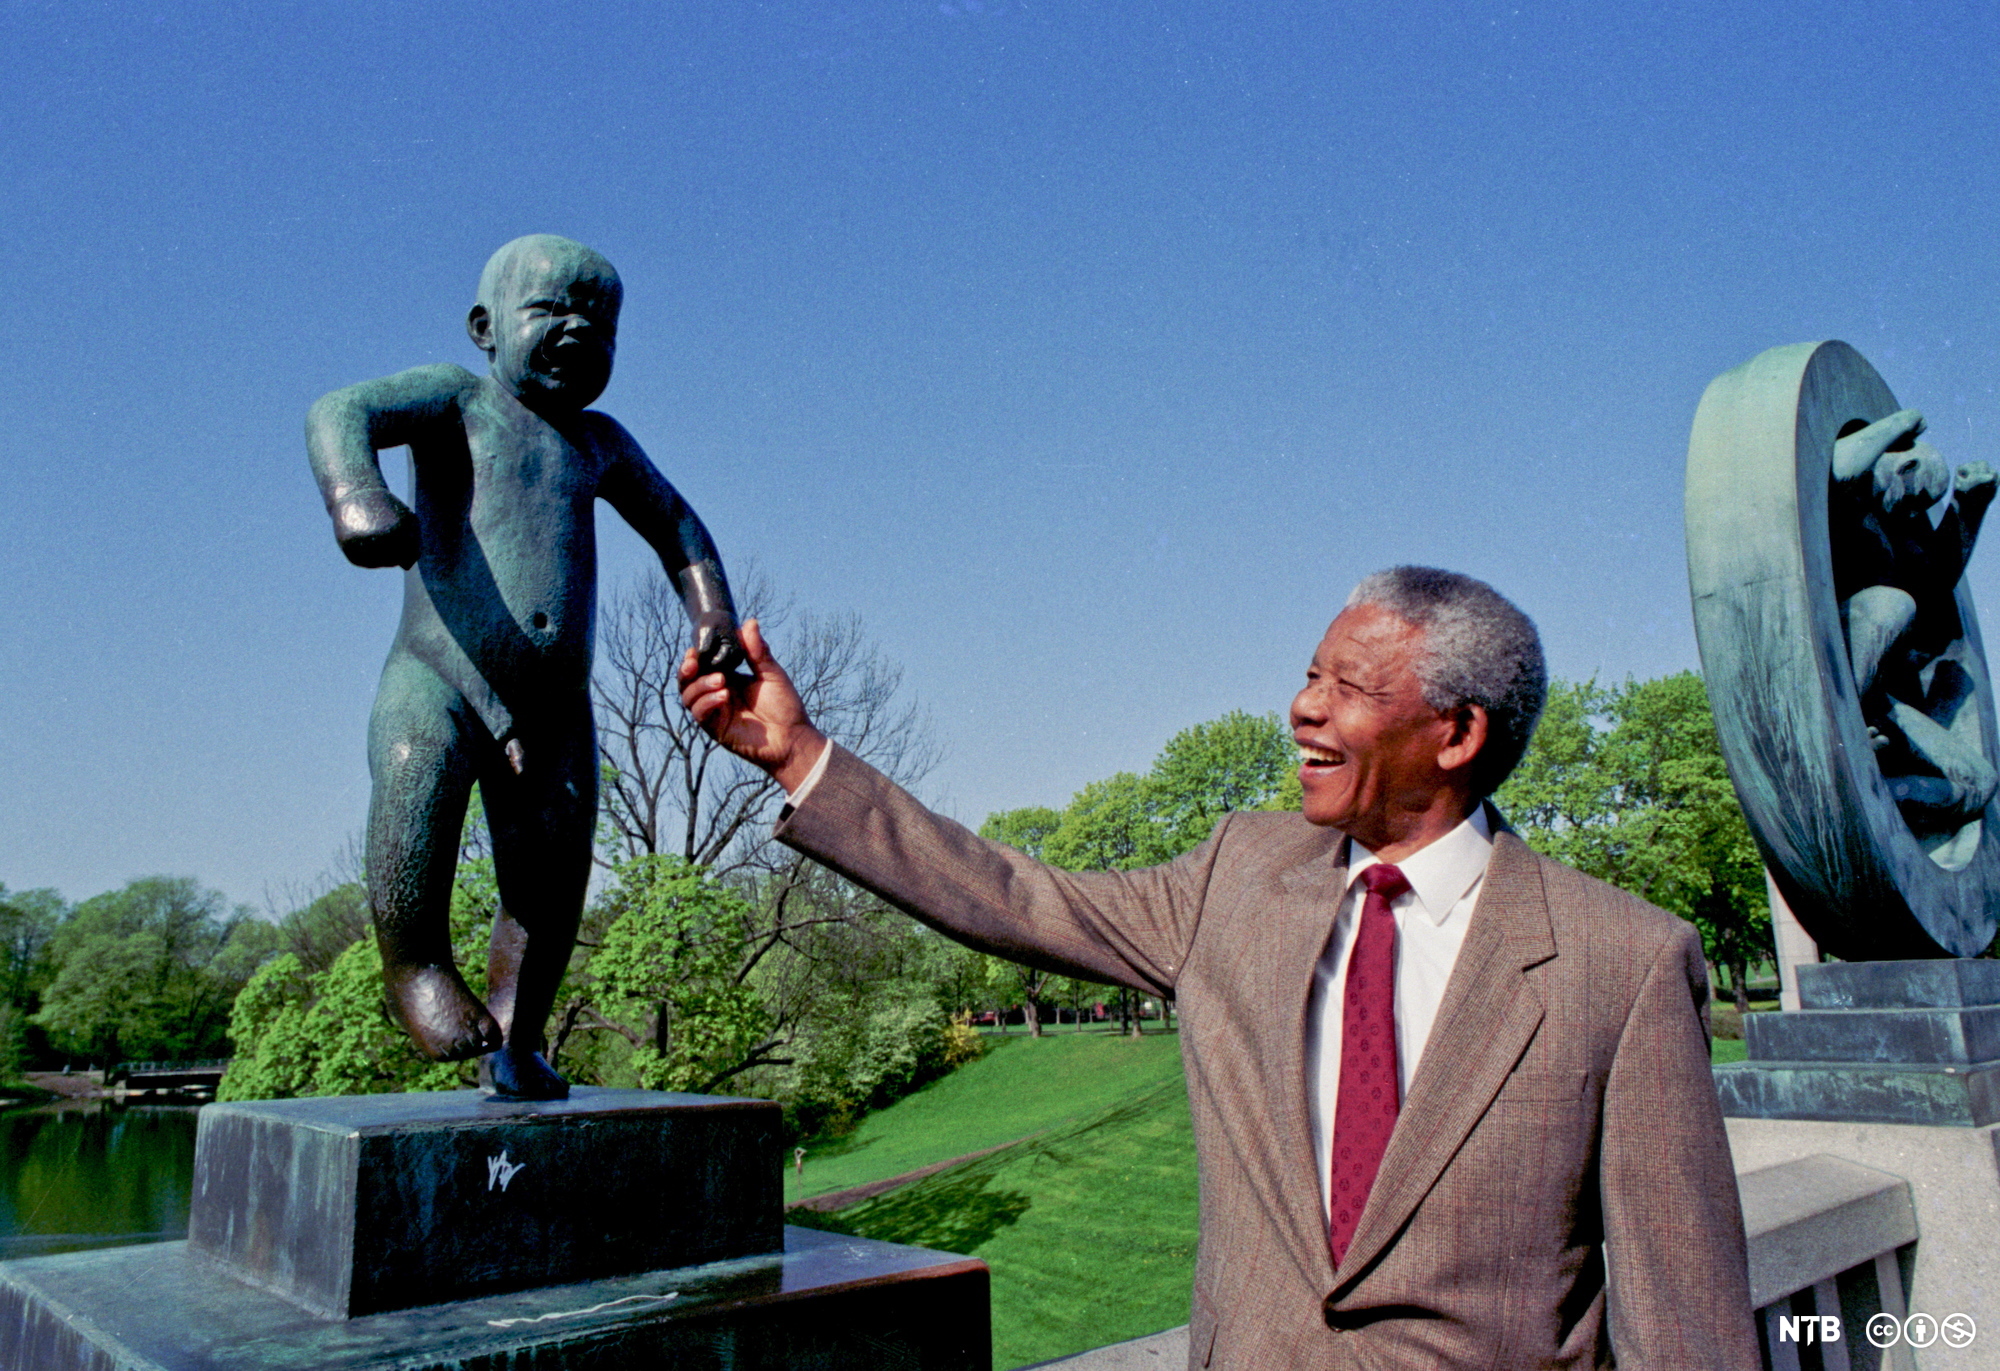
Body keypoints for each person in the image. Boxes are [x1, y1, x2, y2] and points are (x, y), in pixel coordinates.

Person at [679, 566, 1757, 1369]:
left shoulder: (1622, 962)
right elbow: (1010, 897)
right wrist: (797, 753)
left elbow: (1686, 1319)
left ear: (1455, 732)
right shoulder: (1235, 875)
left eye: (1347, 687)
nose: (1302, 709)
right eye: (1306, 677)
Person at [308, 234, 743, 1099]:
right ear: (484, 325)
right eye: (550, 309)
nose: (577, 328)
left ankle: (516, 1036)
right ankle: (418, 969)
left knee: (552, 875)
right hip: (439, 675)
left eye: (599, 321)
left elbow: (677, 524)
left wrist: (713, 610)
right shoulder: (457, 399)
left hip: (554, 708)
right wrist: (357, 496)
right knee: (414, 784)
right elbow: (339, 410)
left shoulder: (598, 444)